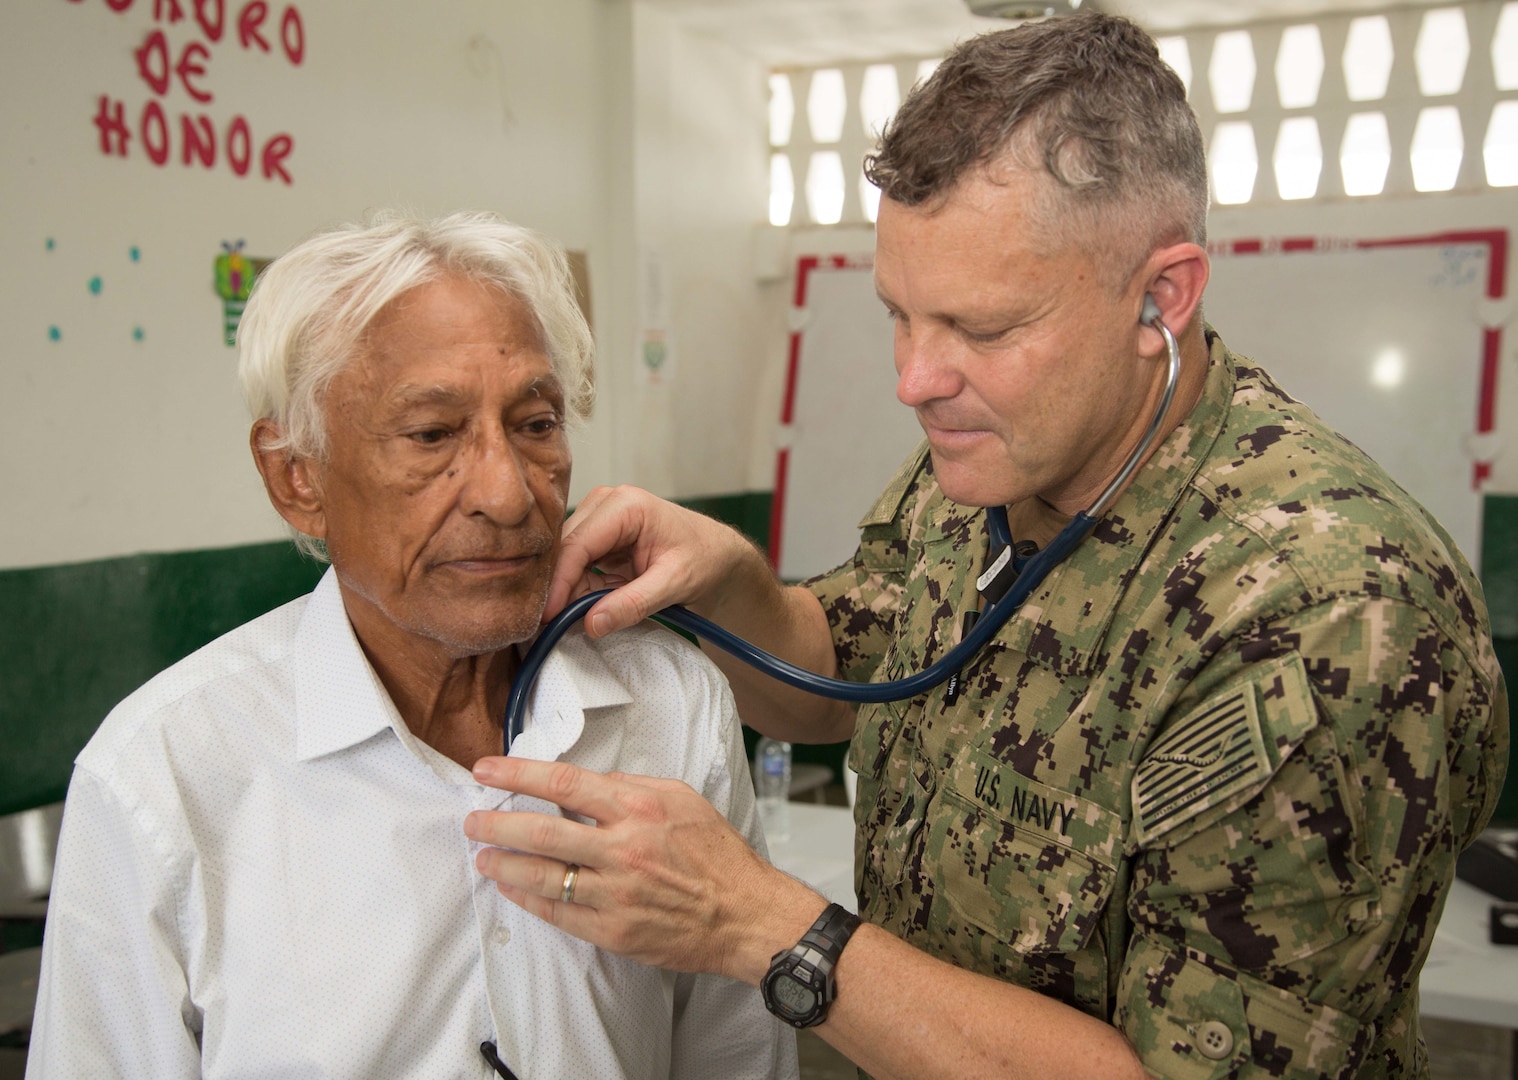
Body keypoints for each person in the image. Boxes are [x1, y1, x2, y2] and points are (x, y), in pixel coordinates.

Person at [460, 14, 1510, 1080]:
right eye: (899, 317)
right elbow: (851, 683)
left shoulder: (1330, 620)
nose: (915, 378)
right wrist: (732, 582)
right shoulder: (1000, 459)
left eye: (984, 329)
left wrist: (755, 923)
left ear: (1163, 295)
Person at [26, 211, 798, 1080]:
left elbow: (737, 1059)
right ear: (297, 477)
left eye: (537, 424)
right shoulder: (165, 777)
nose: (508, 495)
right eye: (432, 436)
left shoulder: (669, 703)